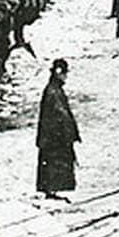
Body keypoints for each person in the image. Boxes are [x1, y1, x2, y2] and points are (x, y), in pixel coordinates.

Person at [37, 58, 80, 201]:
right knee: (55, 161)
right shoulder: (53, 91)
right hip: (54, 136)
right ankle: (52, 189)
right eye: (64, 73)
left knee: (53, 161)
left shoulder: (54, 89)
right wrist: (69, 132)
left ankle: (52, 189)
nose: (66, 76)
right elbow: (61, 114)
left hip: (52, 135)